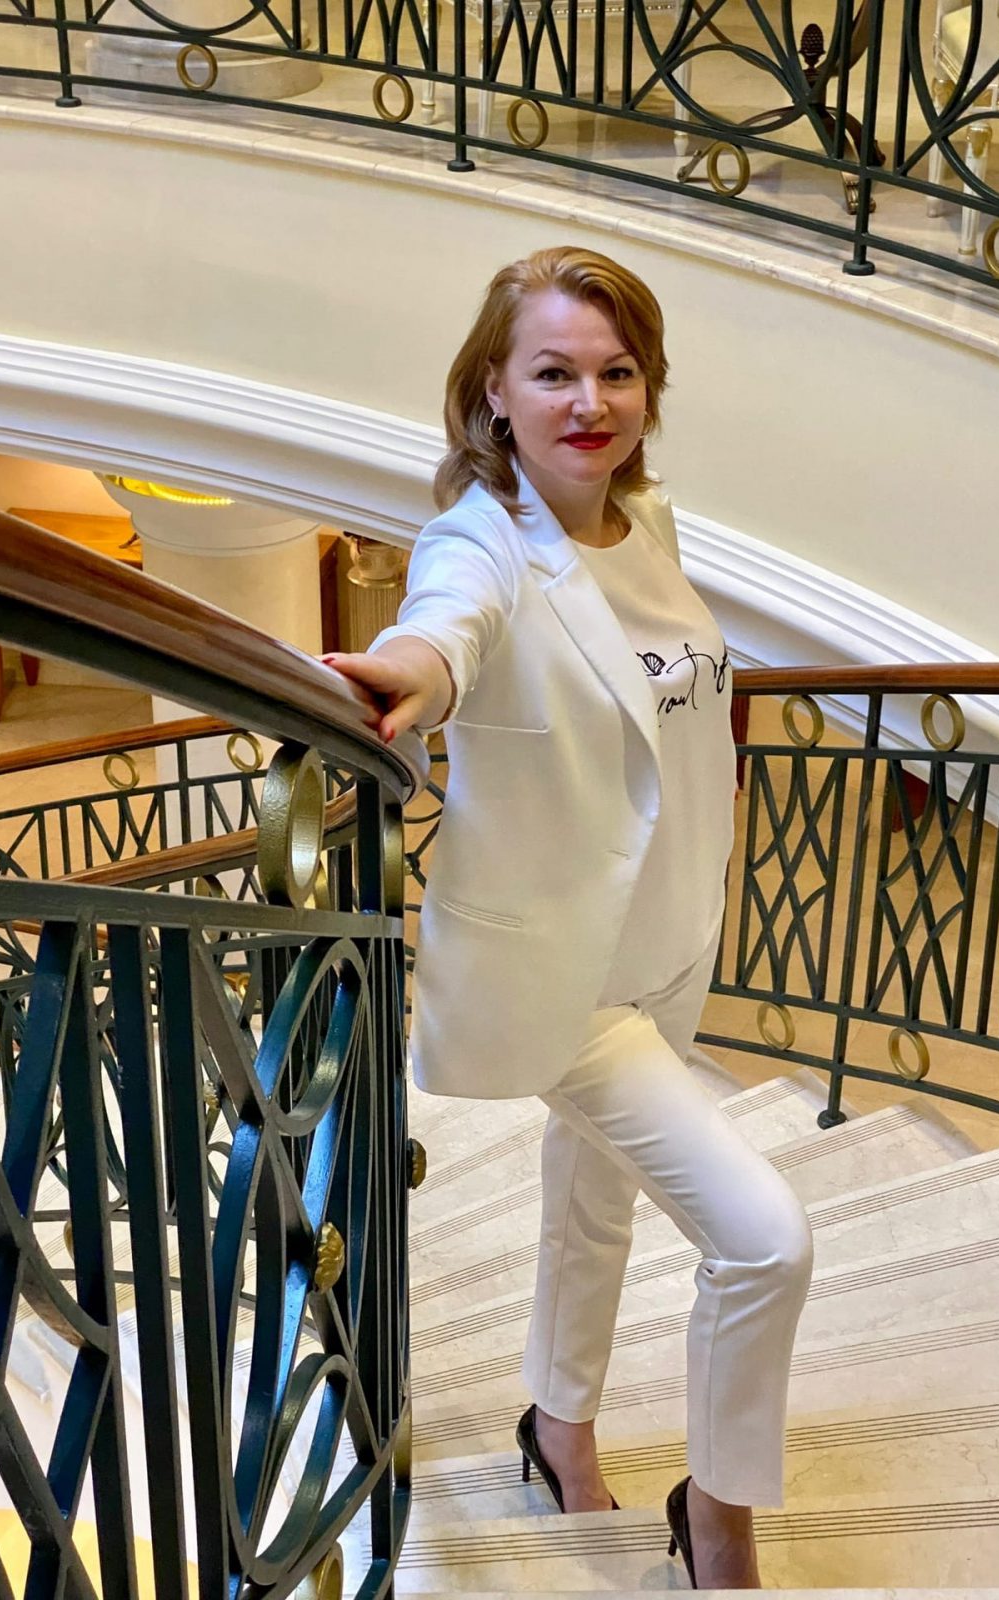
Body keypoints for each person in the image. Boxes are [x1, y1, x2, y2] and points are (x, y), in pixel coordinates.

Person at [323, 246, 813, 1590]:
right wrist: (409, 672)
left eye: (618, 372)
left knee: (593, 1202)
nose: (590, 402)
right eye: (554, 373)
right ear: (495, 389)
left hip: (671, 942)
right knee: (765, 1239)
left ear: (649, 387)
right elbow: (448, 628)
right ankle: (718, 1517)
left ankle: (558, 1425)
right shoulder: (478, 541)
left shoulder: (646, 523)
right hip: (570, 979)